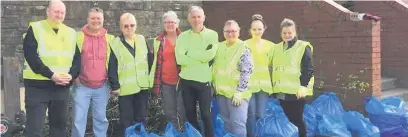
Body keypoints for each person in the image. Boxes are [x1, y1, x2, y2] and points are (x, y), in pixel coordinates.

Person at [22, 0, 80, 137]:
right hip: (37, 87)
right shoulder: (35, 28)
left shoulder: (71, 33)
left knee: (59, 128)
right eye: (56, 11)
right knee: (34, 129)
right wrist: (51, 75)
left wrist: (71, 75)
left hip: (62, 87)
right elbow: (31, 56)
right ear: (48, 12)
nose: (59, 15)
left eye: (62, 12)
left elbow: (78, 59)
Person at [71, 7, 115, 137]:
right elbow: (70, 57)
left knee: (101, 120)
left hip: (102, 86)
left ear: (103, 20)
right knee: (78, 120)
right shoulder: (77, 36)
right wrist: (74, 77)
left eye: (98, 18)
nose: (96, 21)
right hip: (81, 86)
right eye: (93, 18)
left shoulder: (110, 39)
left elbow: (114, 62)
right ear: (87, 19)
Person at [175, 6, 218, 137]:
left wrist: (189, 53)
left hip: (204, 81)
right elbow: (180, 59)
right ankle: (196, 134)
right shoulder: (182, 37)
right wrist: (201, 56)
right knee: (189, 113)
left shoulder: (212, 35)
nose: (196, 19)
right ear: (189, 19)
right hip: (186, 81)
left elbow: (209, 56)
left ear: (204, 18)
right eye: (193, 17)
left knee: (206, 114)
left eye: (199, 16)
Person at [108, 13, 152, 137]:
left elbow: (150, 60)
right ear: (121, 28)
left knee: (141, 117)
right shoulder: (115, 43)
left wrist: (151, 80)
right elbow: (112, 66)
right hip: (125, 88)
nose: (129, 28)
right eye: (126, 26)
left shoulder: (141, 39)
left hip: (142, 86)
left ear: (136, 26)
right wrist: (114, 85)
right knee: (126, 120)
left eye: (132, 25)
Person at [271, 18, 315, 137]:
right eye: (284, 33)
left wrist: (303, 86)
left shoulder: (303, 46)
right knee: (288, 120)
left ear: (295, 32)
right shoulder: (277, 48)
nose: (287, 35)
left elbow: (308, 68)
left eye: (290, 32)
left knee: (297, 120)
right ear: (281, 33)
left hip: (297, 91)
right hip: (281, 91)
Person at [212, 20, 253, 137]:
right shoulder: (218, 47)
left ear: (239, 32)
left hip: (237, 95)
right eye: (227, 31)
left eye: (233, 31)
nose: (230, 34)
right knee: (226, 123)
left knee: (237, 125)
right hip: (221, 93)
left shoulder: (243, 48)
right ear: (223, 32)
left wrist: (240, 92)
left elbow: (247, 71)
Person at [149, 11, 186, 130]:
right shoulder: (158, 40)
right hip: (166, 82)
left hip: (182, 81)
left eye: (172, 22)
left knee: (184, 111)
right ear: (163, 24)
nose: (170, 24)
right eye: (167, 22)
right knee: (170, 113)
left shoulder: (185, 38)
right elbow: (155, 62)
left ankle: (186, 132)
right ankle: (173, 132)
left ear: (177, 23)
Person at [244, 14, 274, 137]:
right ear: (249, 30)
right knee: (250, 114)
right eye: (254, 29)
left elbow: (276, 65)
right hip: (248, 85)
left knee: (261, 115)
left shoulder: (271, 46)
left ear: (264, 29)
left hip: (263, 86)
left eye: (259, 29)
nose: (257, 32)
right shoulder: (243, 44)